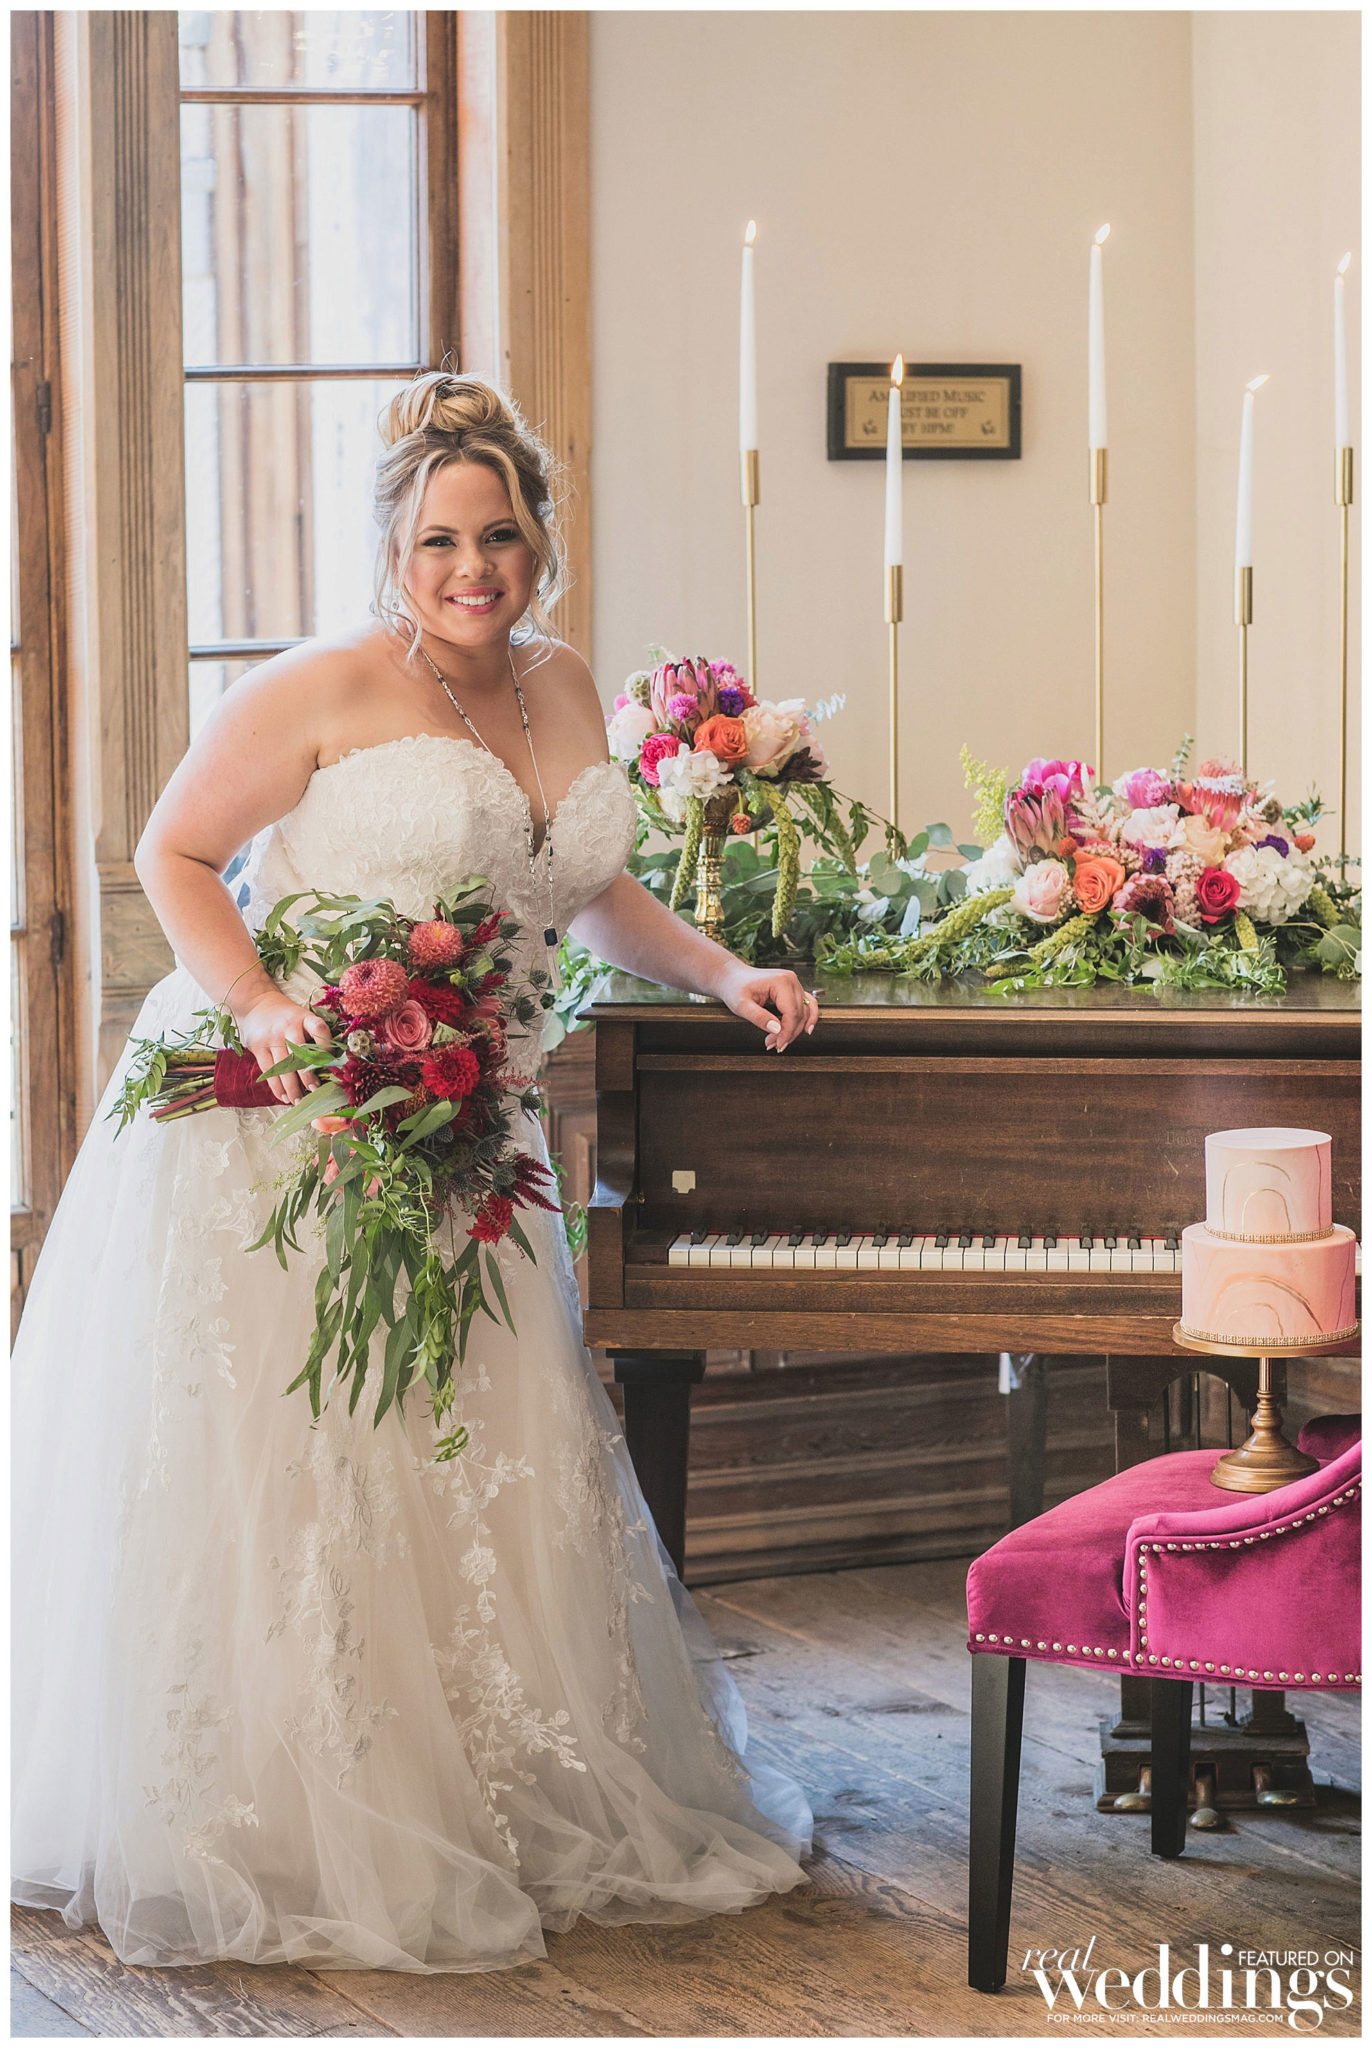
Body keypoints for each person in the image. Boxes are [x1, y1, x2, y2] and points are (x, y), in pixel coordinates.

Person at [11, 373, 816, 1971]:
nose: (471, 568)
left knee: (466, 1454)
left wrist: (723, 971)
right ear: (393, 548)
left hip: (470, 1126)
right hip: (290, 1119)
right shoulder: (325, 685)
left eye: (498, 535)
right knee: (309, 1463)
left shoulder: (561, 683)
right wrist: (267, 1005)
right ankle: (291, 1807)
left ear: (539, 543)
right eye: (440, 539)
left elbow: (583, 889)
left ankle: (487, 1786)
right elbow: (174, 850)